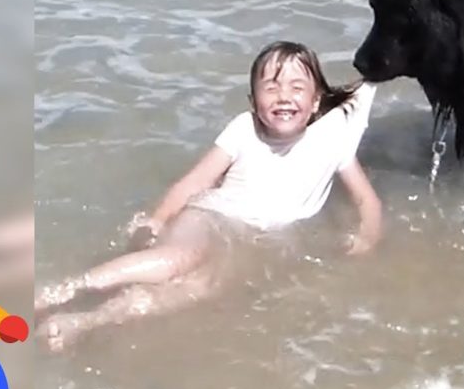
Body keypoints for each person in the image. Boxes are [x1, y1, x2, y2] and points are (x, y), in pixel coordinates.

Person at [35, 41, 382, 351]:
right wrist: (158, 218)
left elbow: (367, 200)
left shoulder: (331, 143)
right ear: (253, 100)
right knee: (181, 258)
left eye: (296, 87)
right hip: (208, 217)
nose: (283, 96)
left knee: (197, 288)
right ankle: (67, 289)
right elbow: (193, 182)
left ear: (315, 101)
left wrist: (367, 235)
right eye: (270, 87)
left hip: (252, 238)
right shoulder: (245, 129)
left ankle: (84, 322)